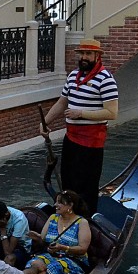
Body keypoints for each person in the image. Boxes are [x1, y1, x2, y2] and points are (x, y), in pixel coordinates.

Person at [40, 38, 118, 217]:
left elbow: (112, 113)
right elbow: (62, 103)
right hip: (71, 139)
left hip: (91, 144)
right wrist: (45, 123)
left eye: (88, 54)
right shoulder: (73, 76)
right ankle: (66, 217)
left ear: (97, 56)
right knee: (68, 183)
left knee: (86, 188)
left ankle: (86, 224)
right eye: (81, 53)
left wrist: (80, 113)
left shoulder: (106, 79)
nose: (84, 57)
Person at [26, 190, 91, 274]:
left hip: (73, 262)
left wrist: (62, 247)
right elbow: (43, 240)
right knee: (34, 263)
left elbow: (83, 249)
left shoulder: (81, 222)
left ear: (70, 205)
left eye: (60, 202)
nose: (55, 205)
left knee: (53, 268)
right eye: (56, 202)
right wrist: (36, 237)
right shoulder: (52, 218)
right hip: (51, 256)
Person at [0, 200, 31, 269]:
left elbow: (8, 252)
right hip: (2, 243)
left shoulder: (19, 219)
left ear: (6, 214)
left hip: (21, 247)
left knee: (9, 259)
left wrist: (2, 228)